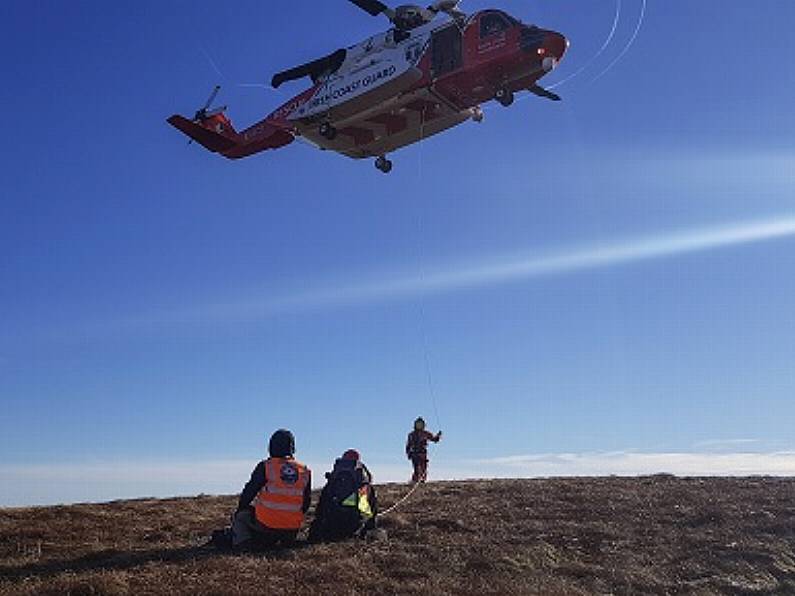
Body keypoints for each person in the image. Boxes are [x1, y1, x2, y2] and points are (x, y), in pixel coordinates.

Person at [213, 428, 312, 550]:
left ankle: (243, 544)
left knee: (241, 516)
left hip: (266, 527)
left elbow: (249, 493)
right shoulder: (305, 470)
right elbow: (306, 502)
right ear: (292, 448)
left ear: (271, 447)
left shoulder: (266, 467)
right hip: (291, 530)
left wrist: (240, 509)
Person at [308, 449, 378, 542]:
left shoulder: (333, 479)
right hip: (353, 530)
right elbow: (367, 512)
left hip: (330, 527)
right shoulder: (364, 484)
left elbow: (321, 508)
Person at [406, 417, 442, 483]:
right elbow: (408, 445)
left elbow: (434, 439)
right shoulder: (411, 435)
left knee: (423, 467)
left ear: (423, 425)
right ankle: (415, 480)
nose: (419, 425)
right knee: (416, 468)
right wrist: (408, 453)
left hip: (423, 453)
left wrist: (438, 436)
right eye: (418, 424)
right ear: (415, 425)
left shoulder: (426, 433)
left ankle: (422, 480)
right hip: (414, 453)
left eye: (421, 424)